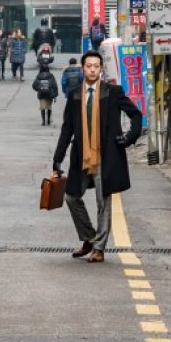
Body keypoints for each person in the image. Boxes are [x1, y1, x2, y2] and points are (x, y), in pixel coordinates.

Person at [53, 49, 142, 263]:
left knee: (104, 201)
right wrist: (57, 157)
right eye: (88, 66)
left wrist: (129, 138)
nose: (92, 69)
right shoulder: (74, 94)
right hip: (82, 155)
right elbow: (67, 128)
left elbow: (135, 114)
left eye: (96, 66)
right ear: (83, 69)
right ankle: (89, 238)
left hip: (106, 155)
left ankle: (99, 248)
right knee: (71, 196)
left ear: (101, 69)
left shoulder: (113, 92)